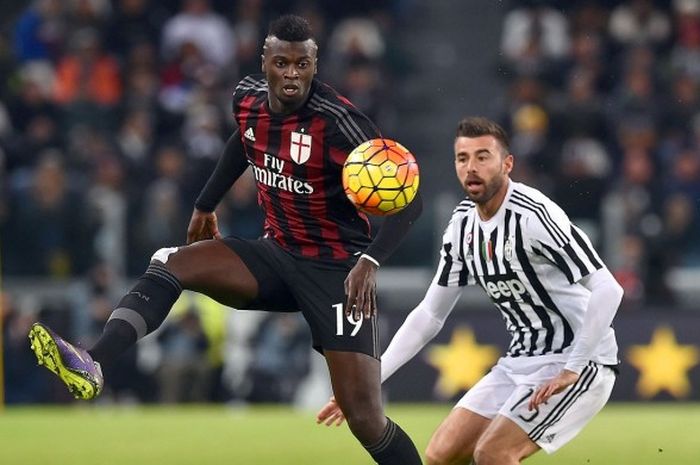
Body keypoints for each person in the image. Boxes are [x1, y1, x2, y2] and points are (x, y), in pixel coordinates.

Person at [28, 15, 423, 465]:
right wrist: (204, 204)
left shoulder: (341, 123)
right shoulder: (247, 99)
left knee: (364, 417)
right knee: (170, 261)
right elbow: (244, 140)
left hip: (338, 273)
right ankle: (94, 362)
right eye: (282, 63)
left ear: (315, 65)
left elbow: (410, 204)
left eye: (302, 65)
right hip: (275, 255)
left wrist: (369, 262)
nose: (292, 74)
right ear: (265, 62)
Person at [317, 117, 623, 465]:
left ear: (507, 164)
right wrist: (371, 382)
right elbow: (430, 315)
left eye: (483, 157)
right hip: (519, 361)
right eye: (463, 158)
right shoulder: (462, 225)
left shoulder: (534, 215)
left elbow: (608, 289)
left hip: (580, 362)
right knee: (440, 456)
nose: (472, 168)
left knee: (493, 454)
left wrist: (573, 366)